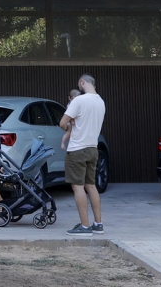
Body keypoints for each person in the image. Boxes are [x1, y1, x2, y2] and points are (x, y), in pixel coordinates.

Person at [59, 74, 106, 235]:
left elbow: (62, 122)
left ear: (82, 82)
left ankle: (85, 226)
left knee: (77, 187)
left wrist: (69, 128)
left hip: (77, 149)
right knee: (91, 186)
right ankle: (98, 224)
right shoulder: (101, 102)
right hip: (93, 148)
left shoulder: (79, 100)